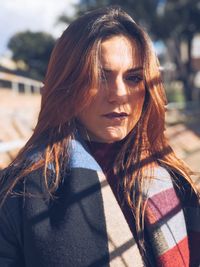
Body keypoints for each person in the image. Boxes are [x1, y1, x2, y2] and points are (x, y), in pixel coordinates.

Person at [0, 5, 200, 267]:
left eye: (133, 78)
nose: (119, 94)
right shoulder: (19, 191)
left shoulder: (174, 180)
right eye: (100, 76)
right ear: (68, 84)